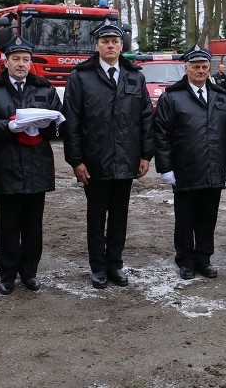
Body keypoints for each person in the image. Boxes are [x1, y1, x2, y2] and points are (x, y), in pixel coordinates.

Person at [62, 21, 154, 289]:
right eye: (105, 41)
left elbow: (145, 118)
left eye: (115, 41)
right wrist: (76, 161)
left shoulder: (135, 76)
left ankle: (115, 264)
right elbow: (72, 122)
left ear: (122, 46)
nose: (110, 45)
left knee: (119, 216)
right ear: (97, 46)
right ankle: (98, 267)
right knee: (96, 216)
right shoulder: (81, 77)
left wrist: (146, 155)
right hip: (95, 162)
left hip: (126, 160)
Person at [0, 36, 62, 294]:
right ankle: (7, 275)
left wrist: (50, 125)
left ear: (30, 62)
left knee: (33, 225)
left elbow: (60, 123)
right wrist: (8, 126)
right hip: (5, 165)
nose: (21, 64)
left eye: (25, 60)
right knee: (7, 225)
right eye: (16, 59)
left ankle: (30, 273)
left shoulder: (44, 88)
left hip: (37, 166)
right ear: (6, 61)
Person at [154, 45, 226, 279]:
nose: (200, 71)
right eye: (195, 67)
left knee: (208, 217)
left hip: (213, 169)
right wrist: (165, 167)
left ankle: (204, 259)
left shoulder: (221, 96)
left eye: (204, 67)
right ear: (186, 68)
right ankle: (185, 261)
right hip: (185, 169)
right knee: (185, 219)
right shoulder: (172, 97)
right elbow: (161, 134)